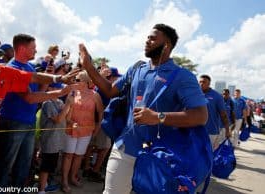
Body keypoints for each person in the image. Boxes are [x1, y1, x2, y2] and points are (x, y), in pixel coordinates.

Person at [79, 24, 210, 194]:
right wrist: (88, 66)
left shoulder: (183, 76)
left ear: (167, 45)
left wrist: (158, 117)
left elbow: (201, 116)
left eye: (153, 38)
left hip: (159, 156)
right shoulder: (136, 69)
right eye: (148, 37)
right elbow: (110, 91)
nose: (147, 40)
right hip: (125, 147)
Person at [0, 36, 77, 192]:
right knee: (3, 165)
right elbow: (29, 97)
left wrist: (58, 77)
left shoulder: (1, 72)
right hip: (1, 125)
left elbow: (33, 78)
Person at [61, 71, 104, 193]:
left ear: (86, 82)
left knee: (79, 156)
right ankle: (64, 181)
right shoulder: (72, 93)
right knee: (68, 155)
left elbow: (100, 112)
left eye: (78, 80)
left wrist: (97, 127)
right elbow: (66, 113)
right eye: (75, 79)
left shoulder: (95, 95)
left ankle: (73, 177)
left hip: (87, 130)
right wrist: (70, 123)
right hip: (71, 129)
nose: (75, 82)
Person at [83, 67, 122, 182]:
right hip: (102, 122)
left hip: (95, 121)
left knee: (92, 145)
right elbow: (103, 108)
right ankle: (94, 171)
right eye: (115, 77)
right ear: (111, 77)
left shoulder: (102, 87)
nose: (117, 80)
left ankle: (87, 168)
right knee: (105, 147)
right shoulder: (107, 89)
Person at [38, 85, 73, 194]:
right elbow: (58, 119)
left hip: (57, 140)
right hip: (49, 140)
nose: (61, 91)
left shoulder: (59, 102)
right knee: (45, 166)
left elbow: (67, 118)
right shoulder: (47, 103)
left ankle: (45, 185)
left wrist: (71, 105)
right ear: (50, 89)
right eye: (57, 88)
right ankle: (41, 190)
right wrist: (68, 104)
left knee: (50, 165)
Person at [199, 75, 230, 150]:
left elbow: (223, 114)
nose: (201, 84)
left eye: (203, 82)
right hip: (196, 130)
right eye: (199, 82)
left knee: (208, 154)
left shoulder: (217, 96)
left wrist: (227, 130)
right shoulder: (195, 94)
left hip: (211, 131)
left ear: (209, 84)